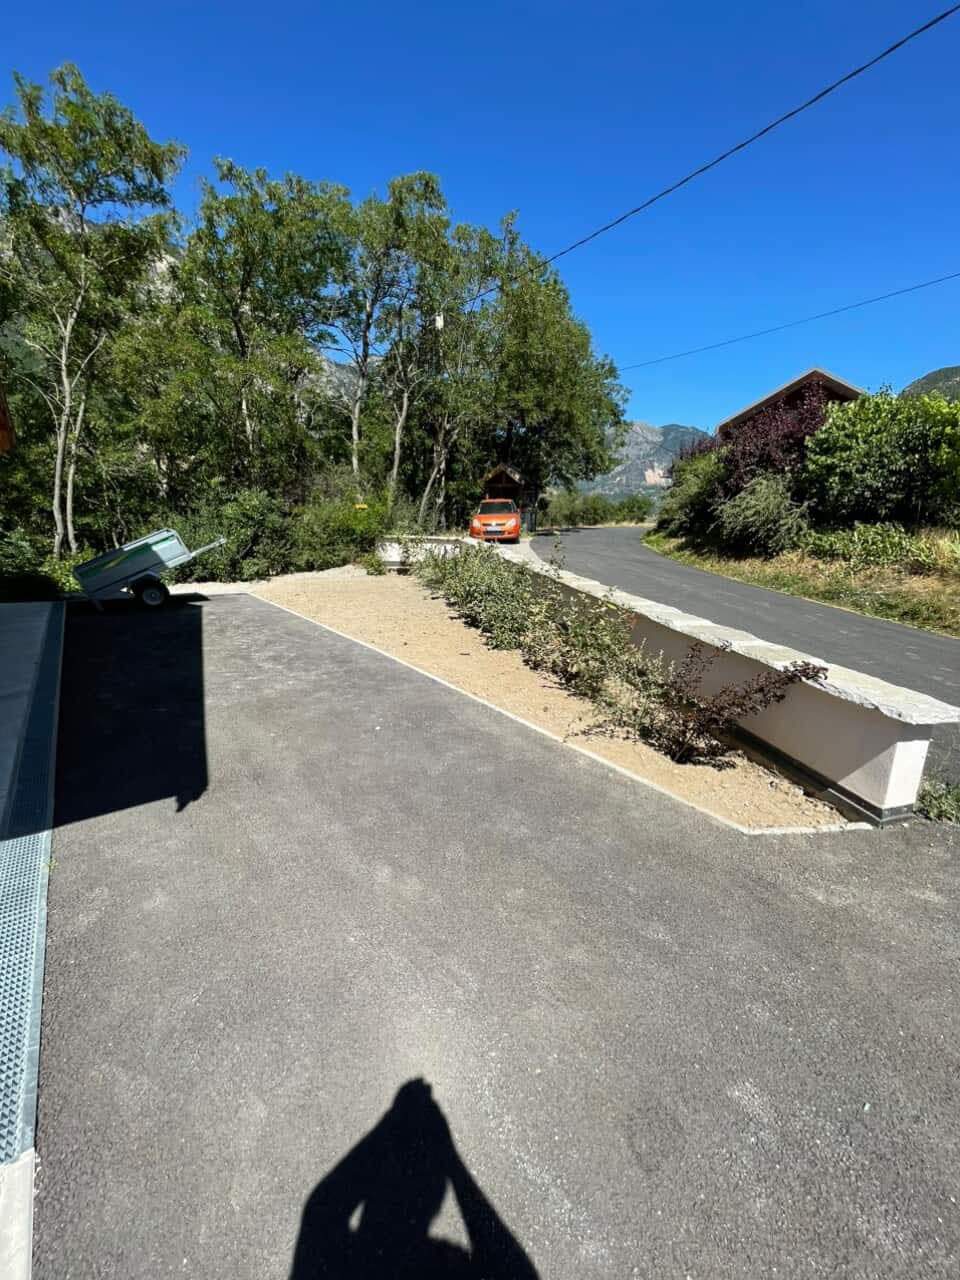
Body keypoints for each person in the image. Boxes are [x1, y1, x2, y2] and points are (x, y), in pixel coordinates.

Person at [290, 1078, 538, 1279]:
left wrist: (388, 1129)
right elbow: (516, 1273)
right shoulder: (442, 1269)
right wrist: (452, 1161)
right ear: (436, 1200)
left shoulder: (344, 1265)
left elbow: (321, 1211)